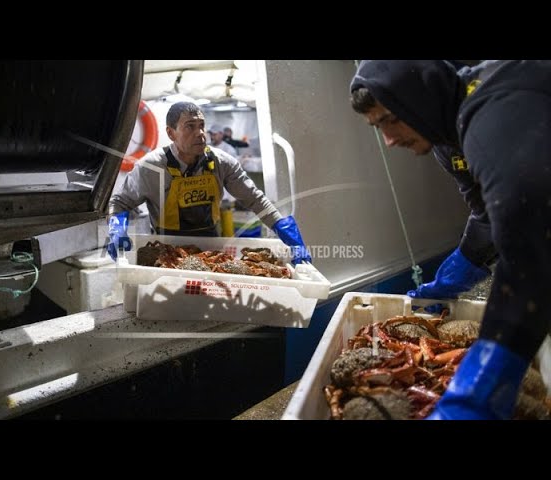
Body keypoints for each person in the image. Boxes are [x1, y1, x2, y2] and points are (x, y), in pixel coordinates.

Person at [350, 60, 551, 420]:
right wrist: (462, 267)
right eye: (377, 127)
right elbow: (489, 214)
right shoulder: (447, 138)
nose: (390, 140)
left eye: (388, 120)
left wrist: (476, 393)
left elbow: (531, 253)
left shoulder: (495, 112)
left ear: (417, 98)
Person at [107, 101, 311, 266]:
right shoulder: (150, 168)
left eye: (201, 125)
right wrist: (116, 228)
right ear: (171, 133)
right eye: (190, 127)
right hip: (166, 255)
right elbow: (120, 202)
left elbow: (254, 199)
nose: (200, 133)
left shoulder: (222, 163)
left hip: (213, 253)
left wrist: (282, 227)